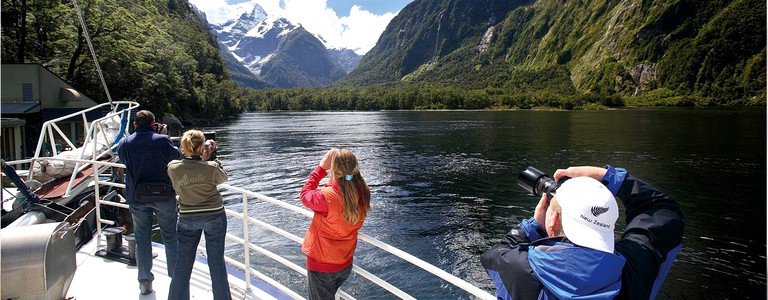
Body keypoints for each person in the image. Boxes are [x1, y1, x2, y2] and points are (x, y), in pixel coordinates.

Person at [481, 165, 684, 299]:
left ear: (554, 221)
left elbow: (493, 255)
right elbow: (662, 210)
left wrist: (534, 226)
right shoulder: (637, 268)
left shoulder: (518, 269)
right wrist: (609, 177)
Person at [116, 110, 180, 295]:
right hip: (163, 196)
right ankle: (176, 280)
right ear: (153, 124)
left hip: (137, 198)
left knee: (142, 239)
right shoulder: (161, 140)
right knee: (170, 237)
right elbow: (176, 157)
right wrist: (164, 136)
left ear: (134, 125)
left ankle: (145, 283)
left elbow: (123, 159)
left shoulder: (125, 143)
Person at [300, 148, 372, 300]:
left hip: (322, 266)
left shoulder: (326, 198)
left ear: (334, 169)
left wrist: (320, 168)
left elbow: (305, 194)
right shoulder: (364, 191)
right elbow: (347, 183)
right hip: (344, 263)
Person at [167, 130, 231, 300]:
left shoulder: (173, 168)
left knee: (182, 265)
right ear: (202, 147)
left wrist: (201, 158)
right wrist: (212, 156)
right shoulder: (211, 167)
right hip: (214, 216)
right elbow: (223, 178)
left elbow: (190, 170)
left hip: (187, 217)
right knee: (216, 263)